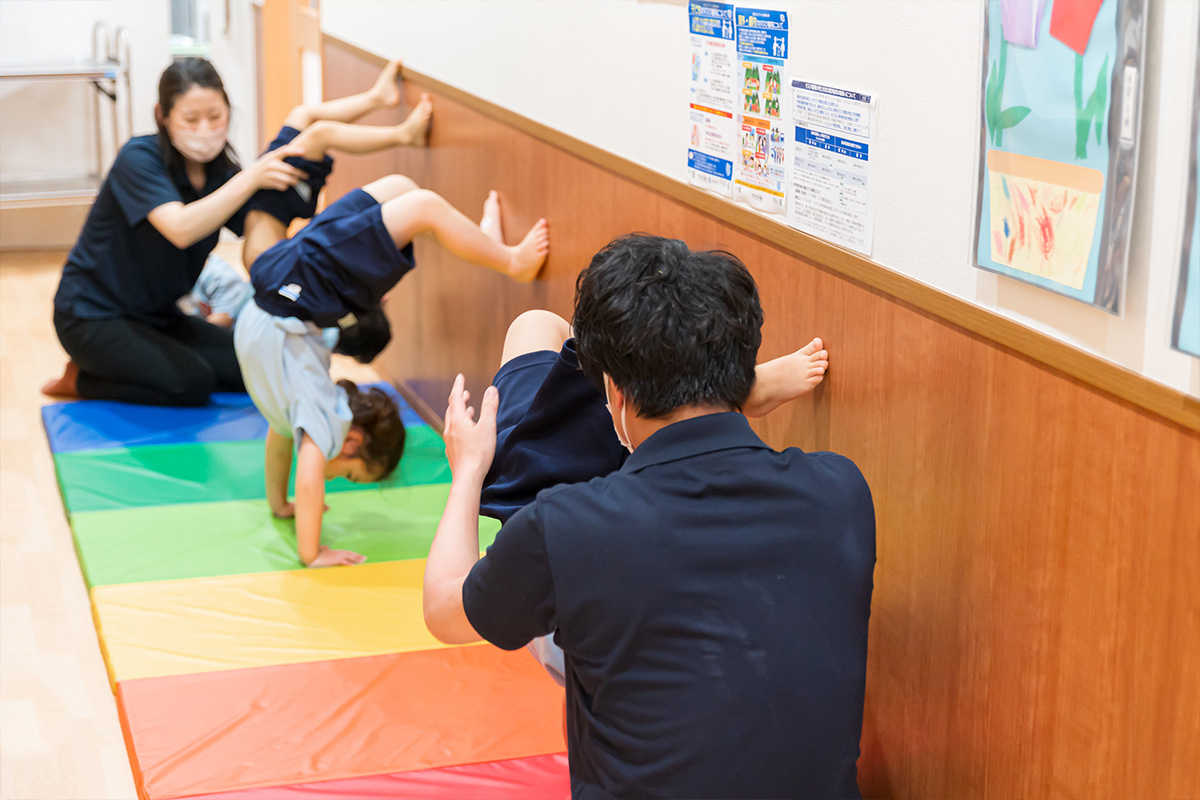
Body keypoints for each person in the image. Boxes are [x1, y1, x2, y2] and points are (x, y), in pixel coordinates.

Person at [423, 234, 875, 798]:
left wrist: (467, 469)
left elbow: (444, 611)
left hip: (573, 519)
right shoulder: (842, 490)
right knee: (534, 336)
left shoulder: (563, 526)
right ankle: (704, 395)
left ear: (613, 394)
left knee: (532, 335)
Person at [235, 172, 549, 568]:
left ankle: (500, 254)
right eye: (349, 476)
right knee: (410, 196)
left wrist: (297, 528)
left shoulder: (302, 415)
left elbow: (298, 466)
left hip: (291, 290)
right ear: (351, 442)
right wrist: (297, 529)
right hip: (289, 287)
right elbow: (299, 465)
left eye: (347, 478)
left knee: (415, 200)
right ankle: (499, 254)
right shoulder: (320, 415)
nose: (331, 479)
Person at [42, 58, 307, 406]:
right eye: (191, 119)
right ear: (162, 115)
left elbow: (262, 233)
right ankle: (82, 379)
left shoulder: (224, 173)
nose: (205, 129)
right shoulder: (138, 158)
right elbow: (180, 228)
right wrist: (252, 178)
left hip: (159, 316)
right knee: (191, 382)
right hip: (92, 317)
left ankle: (134, 361)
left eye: (215, 116)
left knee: (253, 369)